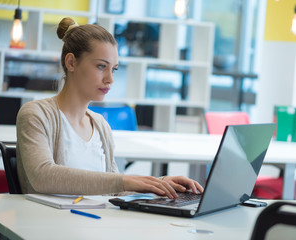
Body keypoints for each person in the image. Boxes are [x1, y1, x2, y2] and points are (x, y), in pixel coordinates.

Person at [16, 17, 203, 199]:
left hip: (97, 225)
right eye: (101, 66)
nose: (110, 79)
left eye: (114, 69)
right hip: (50, 227)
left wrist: (158, 183)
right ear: (71, 62)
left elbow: (114, 191)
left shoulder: (100, 125)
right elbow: (42, 177)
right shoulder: (35, 114)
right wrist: (124, 181)